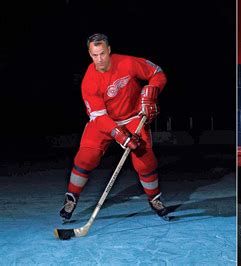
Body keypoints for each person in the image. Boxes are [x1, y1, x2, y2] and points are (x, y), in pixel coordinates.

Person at [59, 33, 169, 221]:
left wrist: (153, 90)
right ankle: (71, 197)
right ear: (89, 54)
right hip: (104, 121)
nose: (99, 59)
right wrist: (122, 136)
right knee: (86, 157)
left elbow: (158, 73)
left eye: (102, 53)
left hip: (133, 117)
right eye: (95, 55)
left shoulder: (127, 62)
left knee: (144, 159)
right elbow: (100, 118)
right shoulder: (89, 80)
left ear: (109, 50)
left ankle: (155, 198)